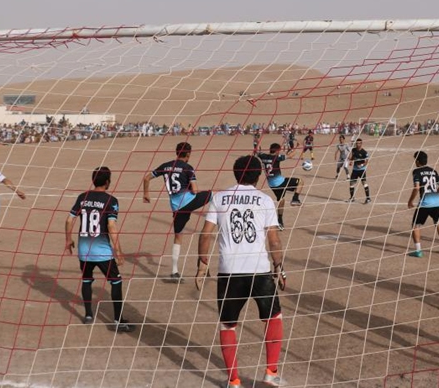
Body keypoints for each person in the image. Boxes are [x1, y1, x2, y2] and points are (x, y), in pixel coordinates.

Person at [195, 155, 287, 387]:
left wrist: (202, 263)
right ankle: (271, 373)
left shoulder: (220, 197)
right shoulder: (265, 200)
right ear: (258, 175)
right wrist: (280, 267)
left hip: (229, 271)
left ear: (236, 173)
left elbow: (206, 233)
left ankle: (234, 381)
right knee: (273, 317)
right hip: (259, 270)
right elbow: (274, 240)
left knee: (228, 325)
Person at [64, 166, 132, 332]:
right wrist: (118, 251)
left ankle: (88, 315)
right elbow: (111, 225)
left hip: (83, 249)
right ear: (108, 182)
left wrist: (68, 239)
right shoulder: (111, 200)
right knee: (116, 282)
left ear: (93, 180)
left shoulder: (82, 197)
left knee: (87, 279)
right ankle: (118, 320)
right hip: (102, 252)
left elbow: (68, 220)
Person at [143, 142, 212, 282]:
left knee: (178, 236)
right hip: (188, 202)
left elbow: (146, 178)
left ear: (176, 152)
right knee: (212, 196)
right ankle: (211, 224)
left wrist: (146, 193)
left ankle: (174, 271)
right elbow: (194, 190)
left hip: (175, 207)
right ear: (188, 154)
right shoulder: (188, 167)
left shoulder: (165, 165)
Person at [406, 150, 439, 256]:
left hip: (425, 203)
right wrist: (436, 194)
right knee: (438, 222)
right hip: (437, 203)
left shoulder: (416, 172)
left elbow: (416, 188)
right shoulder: (433, 171)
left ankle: (418, 251)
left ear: (418, 161)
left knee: (416, 225)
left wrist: (410, 201)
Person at [257, 143, 303, 230]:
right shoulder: (276, 158)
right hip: (280, 183)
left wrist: (258, 148)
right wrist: (297, 147)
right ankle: (295, 199)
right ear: (277, 151)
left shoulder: (263, 156)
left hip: (272, 185)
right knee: (300, 182)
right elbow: (291, 155)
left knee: (282, 200)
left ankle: (280, 222)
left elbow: (258, 153)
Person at [348, 138, 371, 204]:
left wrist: (361, 165)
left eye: (359, 143)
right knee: (351, 184)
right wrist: (350, 160)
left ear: (361, 144)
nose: (357, 144)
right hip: (355, 170)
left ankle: (368, 198)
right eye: (357, 143)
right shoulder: (353, 150)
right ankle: (352, 198)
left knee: (364, 183)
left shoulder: (364, 152)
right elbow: (352, 157)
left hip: (362, 170)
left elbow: (366, 162)